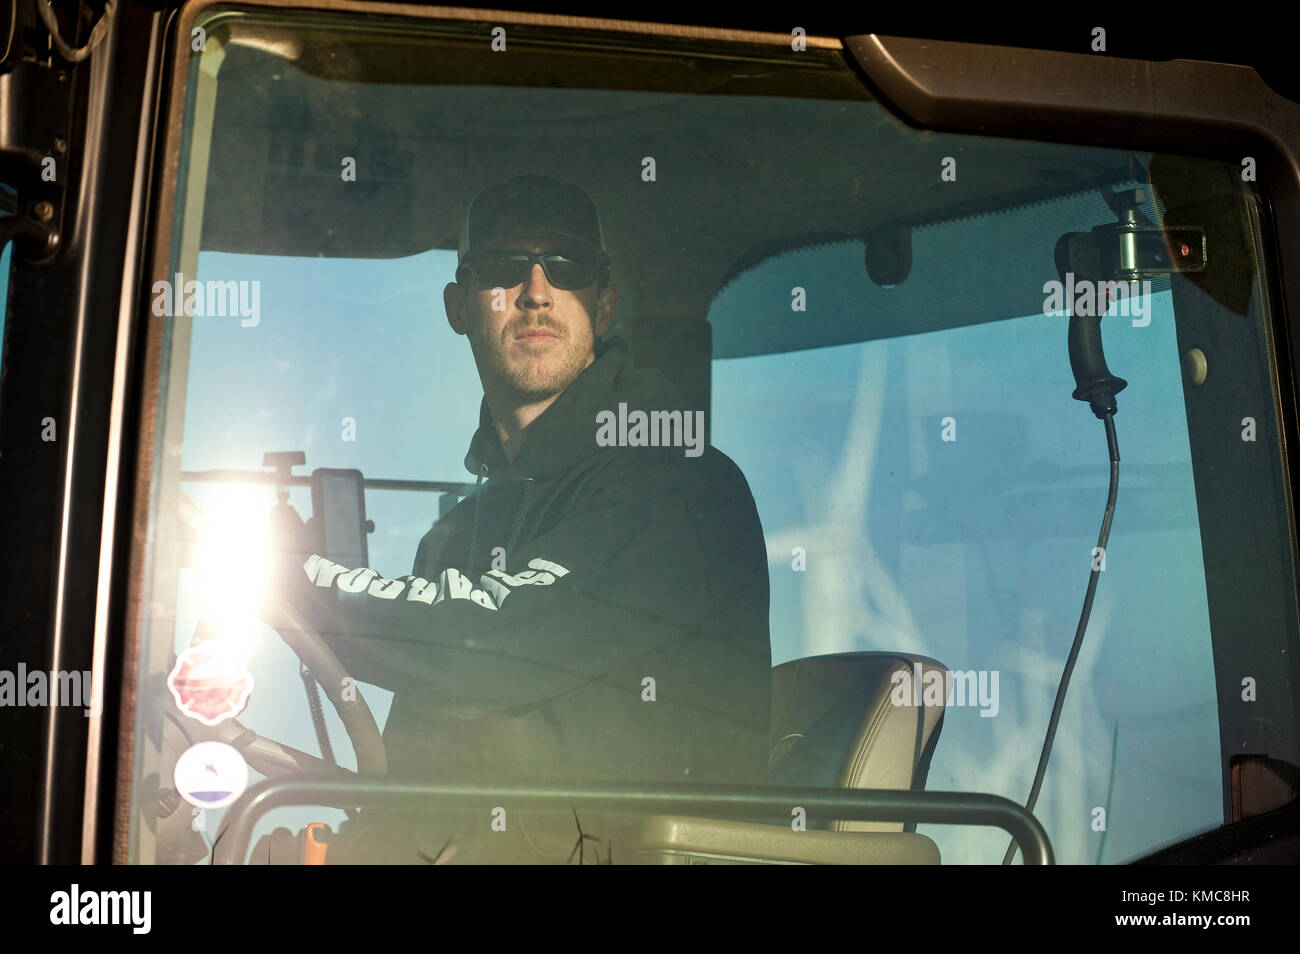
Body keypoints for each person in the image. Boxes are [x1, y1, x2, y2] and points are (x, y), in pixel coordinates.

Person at [271, 174, 771, 862]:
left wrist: (289, 583)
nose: (536, 290)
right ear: (458, 306)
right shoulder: (457, 538)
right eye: (505, 268)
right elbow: (417, 777)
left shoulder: (674, 481)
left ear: (604, 302)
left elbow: (486, 643)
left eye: (566, 268)